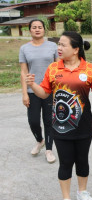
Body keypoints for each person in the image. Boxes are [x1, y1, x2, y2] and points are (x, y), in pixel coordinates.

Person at [25, 31, 92, 200]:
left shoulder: (89, 69)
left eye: (63, 45)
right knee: (66, 163)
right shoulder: (53, 68)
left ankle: (82, 192)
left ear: (76, 49)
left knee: (83, 161)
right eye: (58, 45)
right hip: (60, 126)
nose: (58, 48)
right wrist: (32, 85)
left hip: (84, 126)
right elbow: (44, 93)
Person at [19, 19, 58, 163]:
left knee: (49, 121)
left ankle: (49, 150)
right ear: (30, 30)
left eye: (40, 27)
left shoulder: (52, 46)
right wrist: (24, 93)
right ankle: (39, 140)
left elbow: (58, 68)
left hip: (49, 90)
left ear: (44, 30)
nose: (37, 29)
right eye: (34, 27)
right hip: (32, 90)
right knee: (33, 121)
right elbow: (24, 72)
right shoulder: (24, 48)